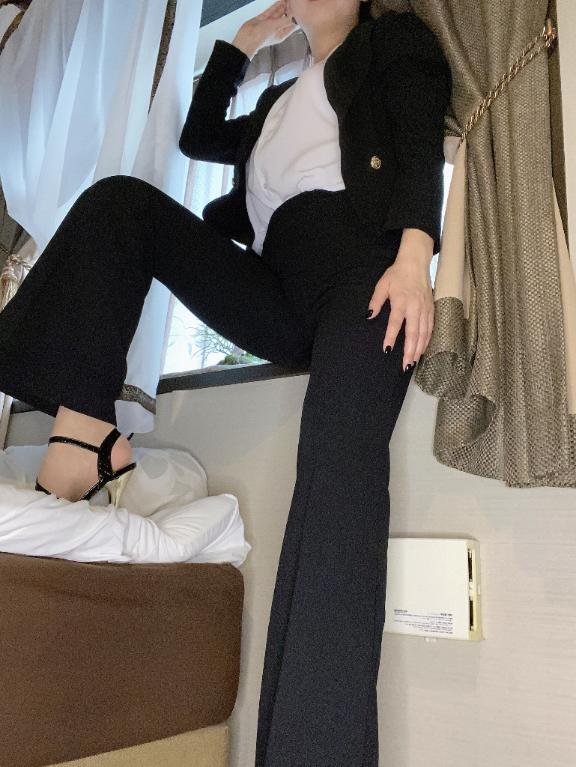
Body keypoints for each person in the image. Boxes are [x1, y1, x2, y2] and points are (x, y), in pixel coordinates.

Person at [0, 0, 451, 763]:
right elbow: (197, 136)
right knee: (120, 206)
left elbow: (415, 135)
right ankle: (85, 431)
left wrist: (415, 260)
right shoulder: (276, 102)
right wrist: (240, 45)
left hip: (361, 273)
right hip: (277, 282)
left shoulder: (387, 44)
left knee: (335, 479)